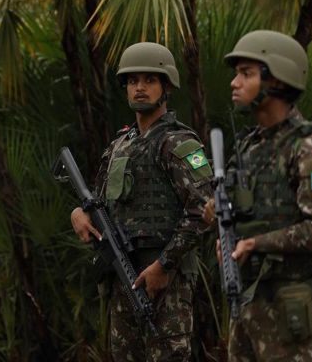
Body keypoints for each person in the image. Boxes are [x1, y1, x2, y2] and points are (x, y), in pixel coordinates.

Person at [69, 42, 213, 361]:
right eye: (133, 81)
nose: (140, 88)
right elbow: (98, 201)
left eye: (149, 80)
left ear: (166, 87)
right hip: (124, 273)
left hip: (167, 278)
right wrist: (79, 214)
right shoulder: (120, 145)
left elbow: (203, 211)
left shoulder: (180, 141)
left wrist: (164, 264)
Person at [216, 30, 312, 361]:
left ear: (277, 81)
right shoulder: (250, 146)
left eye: (246, 74)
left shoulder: (309, 149)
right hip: (246, 301)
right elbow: (239, 210)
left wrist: (256, 244)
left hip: (290, 306)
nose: (234, 82)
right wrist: (223, 230)